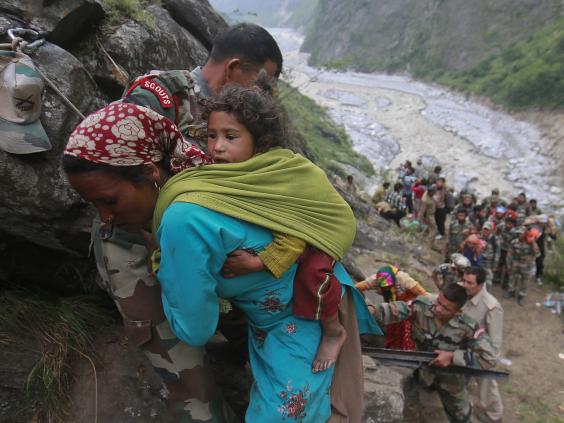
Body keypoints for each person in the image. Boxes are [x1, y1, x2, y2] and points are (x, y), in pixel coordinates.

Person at [63, 103, 382, 422]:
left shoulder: (179, 221)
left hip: (300, 325)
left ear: (149, 171)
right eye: (94, 206)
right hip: (290, 323)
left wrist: (170, 279)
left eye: (109, 201)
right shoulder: (207, 181)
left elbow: (195, 329)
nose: (105, 219)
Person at [83, 23, 285, 422]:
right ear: (233, 68)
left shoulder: (239, 113)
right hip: (137, 247)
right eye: (263, 81)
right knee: (194, 389)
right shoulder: (160, 96)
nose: (265, 92)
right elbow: (124, 184)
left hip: (203, 250)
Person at [370, 284, 497, 423]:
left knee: (461, 415)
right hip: (419, 368)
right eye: (438, 302)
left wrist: (453, 357)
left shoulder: (468, 327)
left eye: (446, 308)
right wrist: (372, 311)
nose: (437, 309)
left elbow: (489, 359)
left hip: (449, 376)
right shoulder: (422, 306)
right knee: (413, 405)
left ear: (458, 311)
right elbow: (397, 310)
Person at [460, 267, 503, 423]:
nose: (464, 285)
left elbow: (495, 340)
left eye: (469, 282)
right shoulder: (462, 293)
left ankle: (494, 416)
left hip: (479, 353)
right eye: (463, 280)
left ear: (480, 284)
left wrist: (489, 361)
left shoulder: (491, 306)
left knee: (486, 385)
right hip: (461, 348)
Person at [356, 265, 427, 350]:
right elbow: (357, 287)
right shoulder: (374, 280)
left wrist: (416, 306)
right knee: (390, 327)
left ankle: (406, 349)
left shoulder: (404, 279)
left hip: (408, 308)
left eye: (388, 286)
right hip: (392, 307)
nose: (387, 288)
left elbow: (424, 294)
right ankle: (391, 347)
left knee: (405, 333)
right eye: (384, 287)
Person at [504, 227, 540, 306]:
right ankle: (511, 292)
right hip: (515, 263)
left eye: (521, 233)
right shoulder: (514, 242)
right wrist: (508, 265)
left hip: (527, 265)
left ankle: (522, 296)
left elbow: (537, 254)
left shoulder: (531, 243)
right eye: (518, 233)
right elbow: (509, 254)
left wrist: (533, 242)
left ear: (525, 234)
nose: (519, 235)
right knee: (512, 278)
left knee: (525, 281)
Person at [480, 222, 499, 292]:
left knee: (488, 280)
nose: (485, 231)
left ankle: (488, 294)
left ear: (490, 231)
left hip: (489, 263)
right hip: (480, 262)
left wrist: (495, 265)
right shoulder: (479, 237)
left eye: (487, 230)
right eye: (484, 229)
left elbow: (497, 253)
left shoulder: (494, 239)